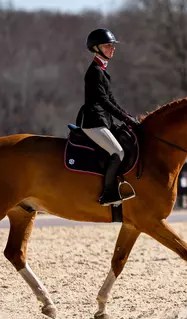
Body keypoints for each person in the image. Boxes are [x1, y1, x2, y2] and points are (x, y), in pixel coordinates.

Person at [75, 28, 138, 206]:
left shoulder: (101, 70)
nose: (112, 49)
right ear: (96, 49)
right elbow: (103, 102)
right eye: (108, 45)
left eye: (112, 45)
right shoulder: (95, 71)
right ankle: (108, 193)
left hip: (103, 121)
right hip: (94, 122)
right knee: (117, 152)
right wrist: (125, 119)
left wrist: (128, 116)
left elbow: (111, 100)